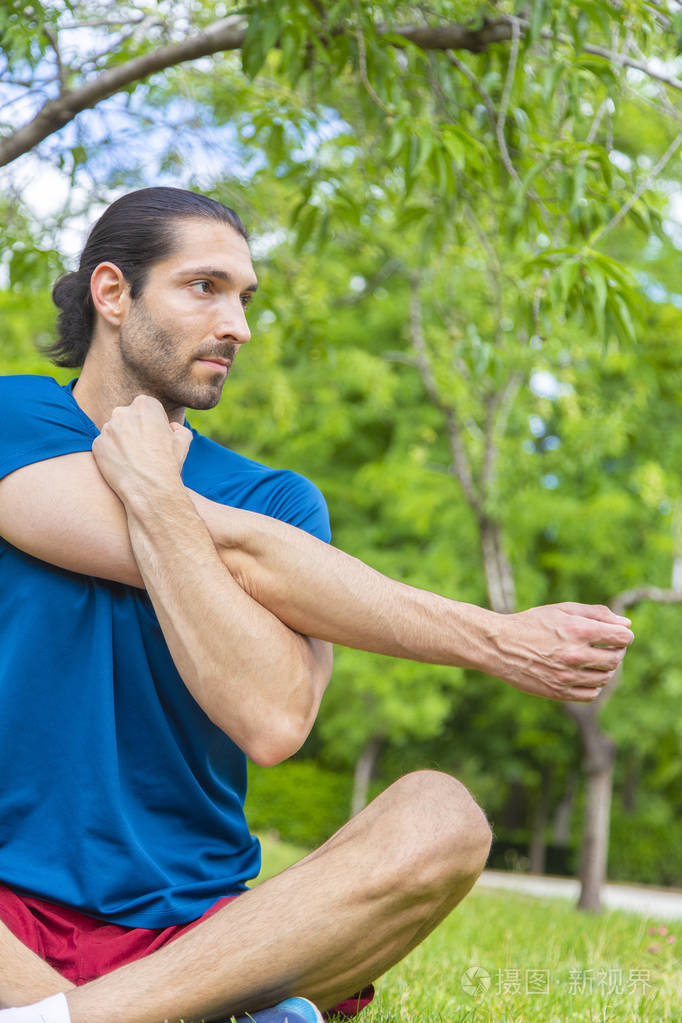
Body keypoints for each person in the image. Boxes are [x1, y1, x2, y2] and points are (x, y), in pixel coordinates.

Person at [0, 187, 633, 1023]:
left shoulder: (280, 499)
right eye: (205, 287)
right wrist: (494, 638)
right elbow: (241, 549)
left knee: (443, 815)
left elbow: (270, 721)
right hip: (10, 911)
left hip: (204, 930)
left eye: (245, 297)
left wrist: (154, 492)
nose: (238, 325)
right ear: (113, 293)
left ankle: (80, 1014)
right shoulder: (18, 415)